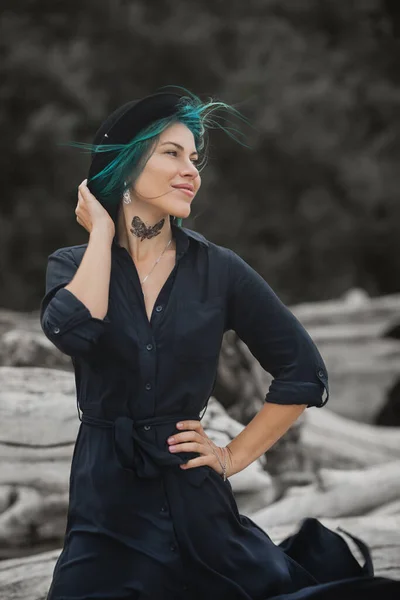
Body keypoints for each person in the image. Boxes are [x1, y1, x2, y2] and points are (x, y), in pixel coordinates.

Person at [40, 87, 400, 599]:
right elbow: (72, 329)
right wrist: (101, 233)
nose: (192, 170)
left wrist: (232, 457)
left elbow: (303, 372)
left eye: (194, 157)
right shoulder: (74, 265)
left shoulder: (220, 270)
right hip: (106, 517)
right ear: (124, 164)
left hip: (200, 515)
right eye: (172, 153)